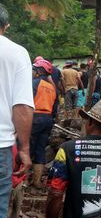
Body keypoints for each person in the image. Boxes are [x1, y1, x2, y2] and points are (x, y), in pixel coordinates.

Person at [0, 3, 35, 218]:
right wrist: (24, 148)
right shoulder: (14, 53)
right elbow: (23, 107)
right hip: (3, 151)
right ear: (6, 26)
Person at [31, 59, 58, 189]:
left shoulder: (35, 83)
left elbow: (26, 102)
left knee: (27, 147)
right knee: (40, 149)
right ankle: (37, 181)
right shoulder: (52, 87)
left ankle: (22, 181)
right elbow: (55, 107)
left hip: (35, 117)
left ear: (39, 71)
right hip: (48, 119)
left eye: (34, 69)